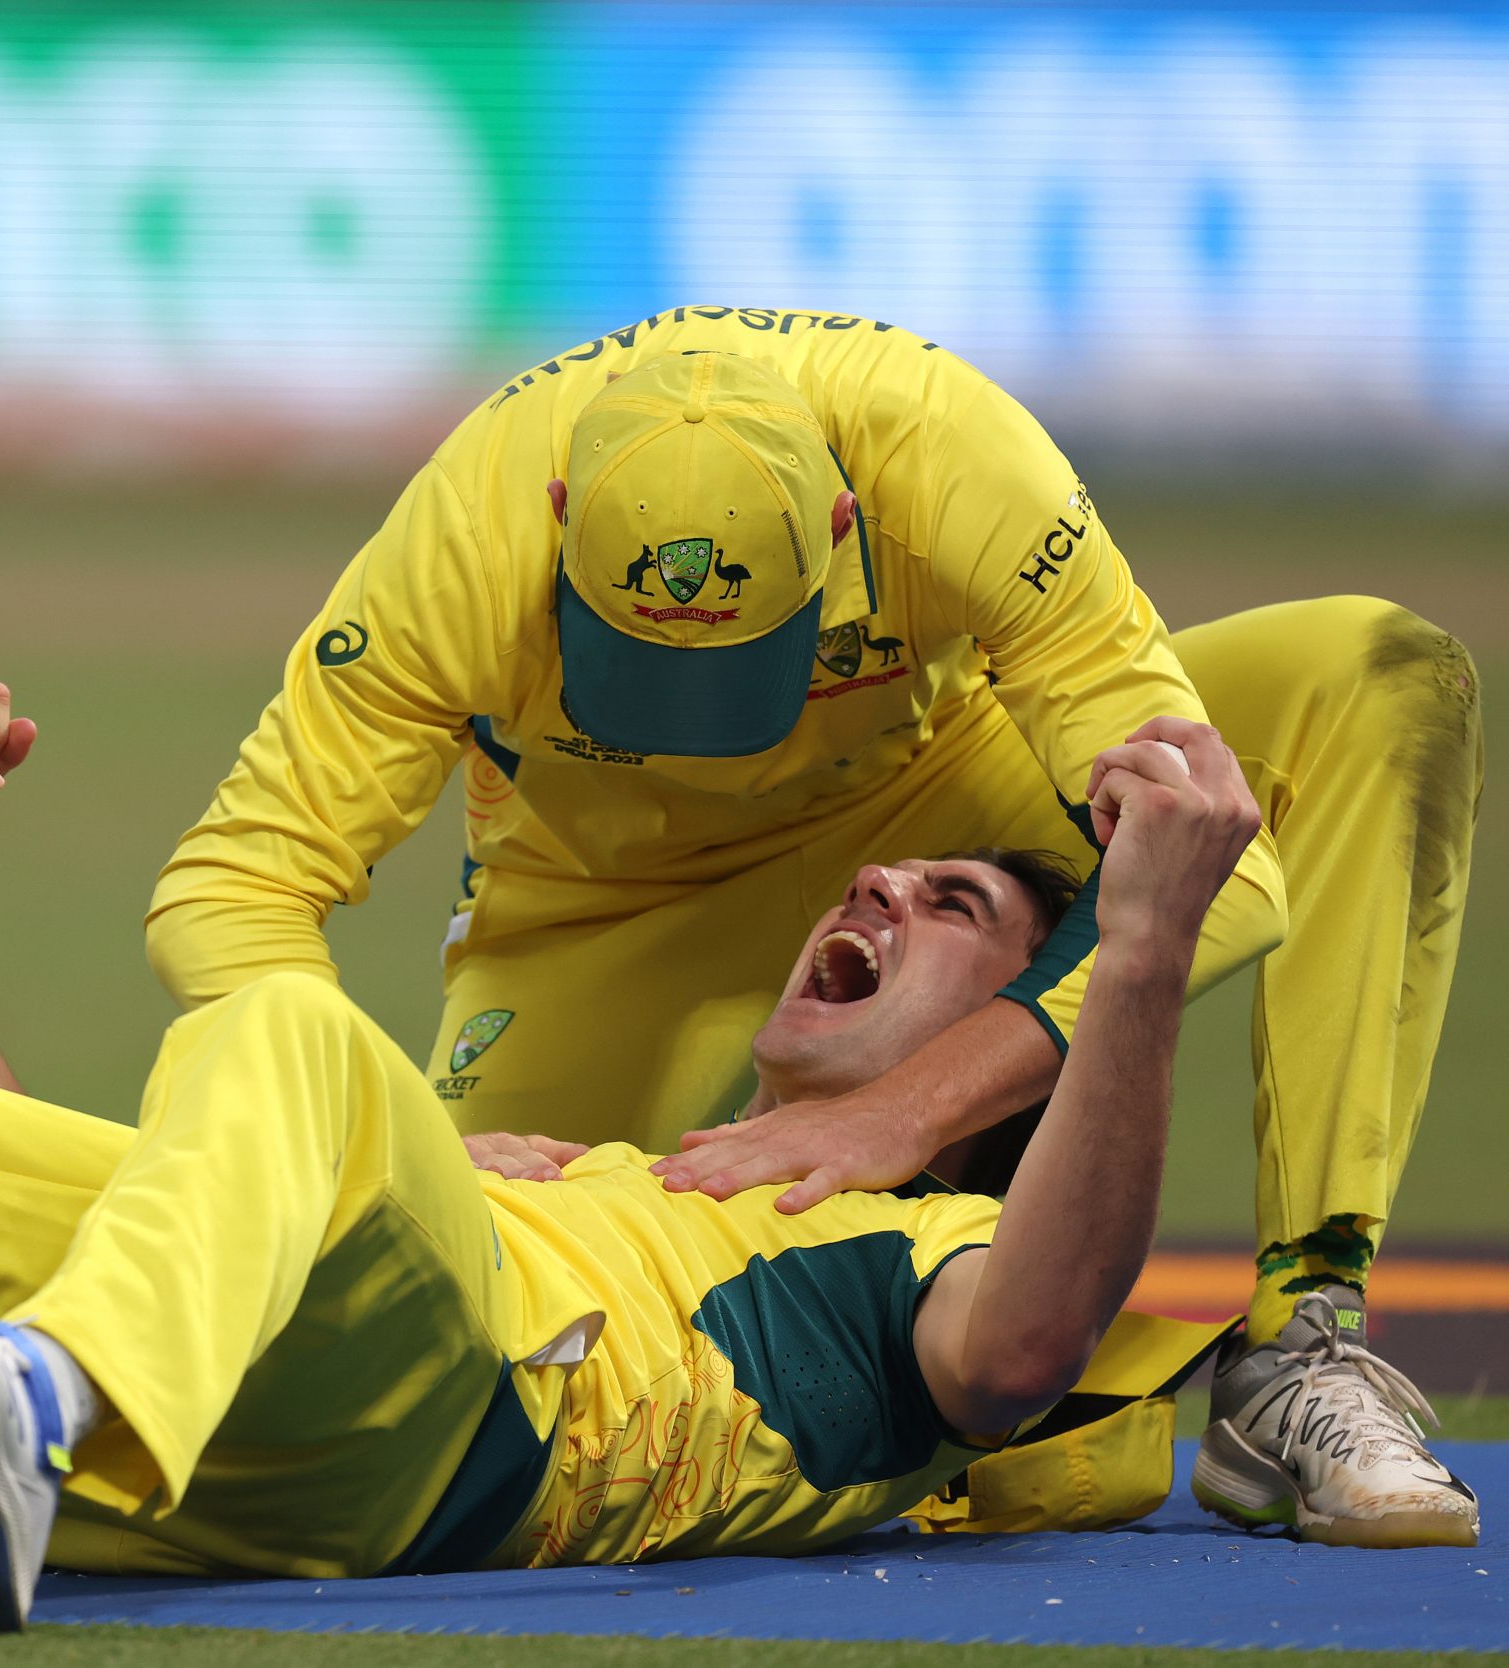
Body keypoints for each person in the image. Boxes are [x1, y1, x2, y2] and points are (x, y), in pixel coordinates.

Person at [0, 676, 1458, 1635]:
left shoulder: (919, 1236)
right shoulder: (587, 1157)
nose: (877, 895)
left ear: (1022, 1053)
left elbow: (1027, 1342)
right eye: (882, 876)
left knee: (292, 1050)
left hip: (472, 1449)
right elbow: (41, 1176)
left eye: (955, 913)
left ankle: (38, 1418)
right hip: (222, 1392)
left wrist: (1131, 960)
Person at [144, 306, 1484, 1543]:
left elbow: (1216, 855)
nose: (697, 727)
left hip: (928, 794)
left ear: (846, 523)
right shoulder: (460, 540)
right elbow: (235, 888)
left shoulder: (953, 460)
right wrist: (359, 1120)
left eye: (735, 666)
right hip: (607, 899)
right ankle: (1030, 1394)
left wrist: (899, 1113)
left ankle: (1299, 1344)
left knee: (1378, 675)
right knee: (407, 1281)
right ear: (555, 521)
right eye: (647, 665)